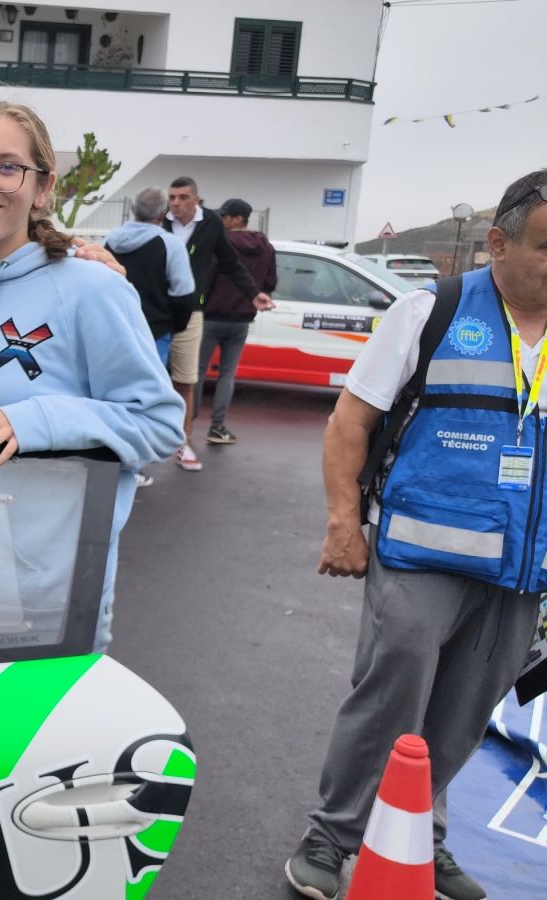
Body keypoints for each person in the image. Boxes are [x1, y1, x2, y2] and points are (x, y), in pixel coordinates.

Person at [286, 170, 547, 900]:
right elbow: (351, 421)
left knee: (463, 717)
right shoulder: (432, 311)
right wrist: (343, 522)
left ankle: (418, 837)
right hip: (420, 555)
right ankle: (332, 835)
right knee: (391, 698)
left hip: (521, 573)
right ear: (498, 243)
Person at [0, 101, 182, 653]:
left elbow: (160, 423)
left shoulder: (92, 287)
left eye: (7, 167)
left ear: (43, 187)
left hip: (48, 598)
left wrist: (37, 420)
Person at [162, 175, 268, 472]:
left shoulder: (210, 223)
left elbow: (230, 262)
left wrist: (253, 294)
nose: (176, 204)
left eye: (183, 197)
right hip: (156, 311)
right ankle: (137, 455)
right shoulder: (160, 221)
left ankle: (183, 443)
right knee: (148, 378)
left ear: (196, 199)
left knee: (186, 379)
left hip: (192, 312)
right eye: (172, 197)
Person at [197, 198, 277, 445]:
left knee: (196, 372)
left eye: (225, 216)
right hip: (242, 319)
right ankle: (217, 427)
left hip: (211, 317)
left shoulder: (220, 244)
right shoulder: (266, 247)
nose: (221, 220)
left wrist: (199, 304)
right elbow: (270, 282)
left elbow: (206, 279)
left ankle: (185, 426)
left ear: (238, 219)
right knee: (227, 374)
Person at [104, 187, 196, 368]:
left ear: (132, 209)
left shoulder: (108, 242)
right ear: (163, 214)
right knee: (150, 384)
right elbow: (184, 296)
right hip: (154, 333)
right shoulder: (171, 244)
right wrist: (173, 327)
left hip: (113, 330)